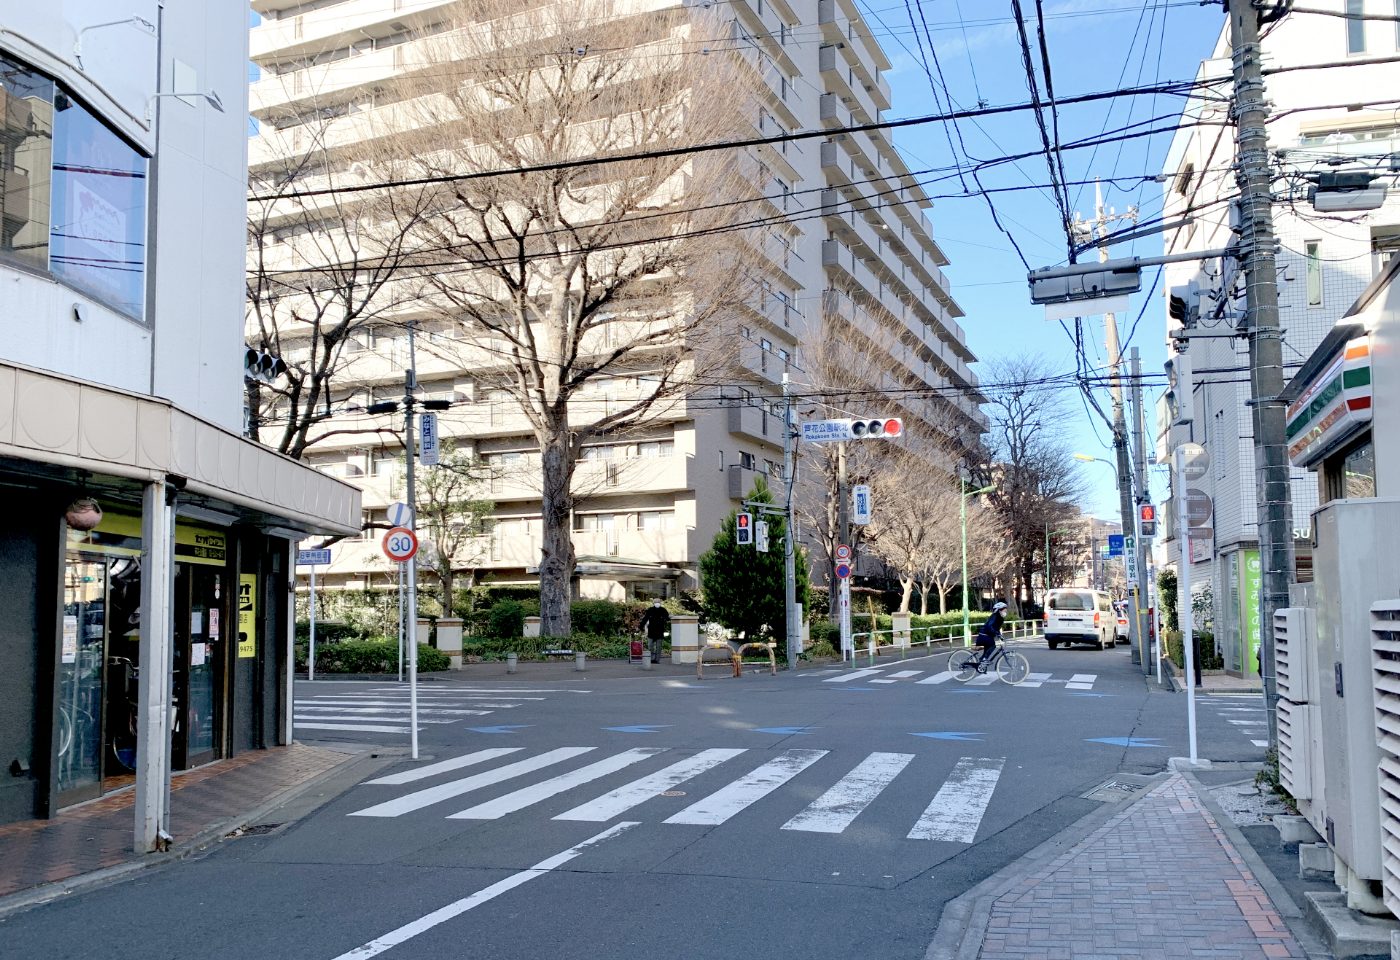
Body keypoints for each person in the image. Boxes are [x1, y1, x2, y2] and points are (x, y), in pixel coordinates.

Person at [976, 601, 1009, 666]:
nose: (1005, 612)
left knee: (986, 652)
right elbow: (989, 626)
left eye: (1005, 610)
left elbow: (996, 629)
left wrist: (999, 635)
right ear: (999, 610)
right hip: (984, 635)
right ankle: (983, 659)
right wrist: (996, 633)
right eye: (1004, 610)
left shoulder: (1000, 618)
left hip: (987, 635)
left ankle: (981, 666)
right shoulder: (995, 616)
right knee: (992, 646)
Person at [639, 600, 671, 664]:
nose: (657, 603)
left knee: (659, 647)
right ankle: (651, 658)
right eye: (656, 602)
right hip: (651, 630)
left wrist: (664, 619)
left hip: (660, 630)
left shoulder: (663, 610)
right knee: (650, 646)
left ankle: (657, 660)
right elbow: (645, 618)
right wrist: (641, 626)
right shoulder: (650, 610)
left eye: (658, 602)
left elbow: (667, 618)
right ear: (653, 603)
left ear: (660, 603)